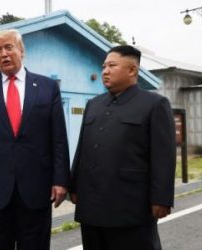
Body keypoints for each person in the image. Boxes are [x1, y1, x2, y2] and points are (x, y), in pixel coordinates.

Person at [0, 29, 70, 250]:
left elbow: (58, 138)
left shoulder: (47, 88)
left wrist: (61, 180)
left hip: (37, 187)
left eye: (9, 47)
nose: (4, 54)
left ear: (21, 50)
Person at [70, 45, 176, 250]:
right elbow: (82, 147)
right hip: (91, 204)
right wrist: (74, 186)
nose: (105, 71)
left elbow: (164, 156)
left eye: (112, 65)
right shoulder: (94, 104)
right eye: (103, 66)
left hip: (131, 205)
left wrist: (161, 198)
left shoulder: (154, 104)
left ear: (132, 70)